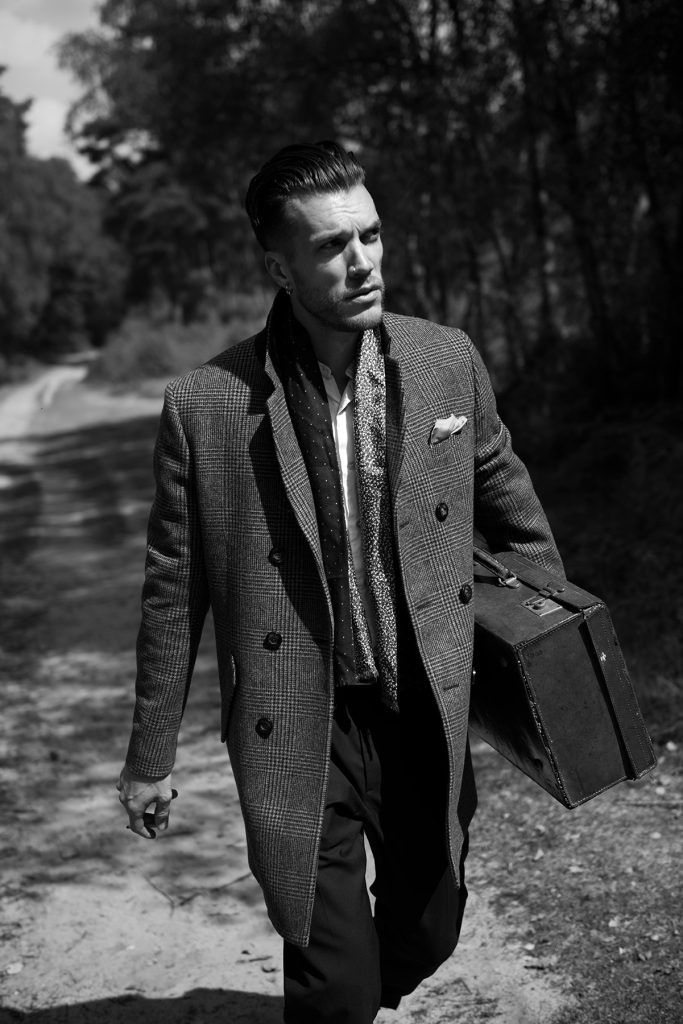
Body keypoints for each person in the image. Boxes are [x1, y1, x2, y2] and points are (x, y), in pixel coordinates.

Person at [117, 140, 563, 1023]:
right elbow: (173, 591)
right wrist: (148, 758)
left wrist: (551, 657)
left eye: (370, 235)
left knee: (429, 930)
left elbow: (514, 514)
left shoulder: (443, 361)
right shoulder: (205, 404)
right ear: (279, 268)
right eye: (330, 245)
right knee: (332, 983)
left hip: (419, 704)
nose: (362, 261)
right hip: (295, 719)